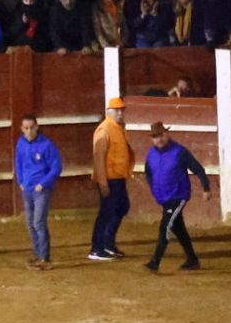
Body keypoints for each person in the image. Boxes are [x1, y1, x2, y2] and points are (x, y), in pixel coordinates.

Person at [142, 122, 211, 274]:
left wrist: (206, 188)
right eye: (155, 137)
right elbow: (148, 172)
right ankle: (192, 259)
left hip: (178, 195)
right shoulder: (151, 154)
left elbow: (198, 168)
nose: (158, 140)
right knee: (177, 228)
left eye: (160, 135)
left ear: (167, 134)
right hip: (163, 197)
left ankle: (155, 261)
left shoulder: (179, 152)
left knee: (165, 226)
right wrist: (153, 187)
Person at [13, 112, 62, 271]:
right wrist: (20, 181)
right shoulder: (20, 143)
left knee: (38, 222)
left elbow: (56, 167)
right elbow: (18, 163)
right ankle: (38, 253)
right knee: (30, 222)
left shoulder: (47, 145)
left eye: (31, 128)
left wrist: (43, 183)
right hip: (27, 188)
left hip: (41, 189)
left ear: (37, 127)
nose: (28, 131)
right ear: (22, 129)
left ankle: (44, 257)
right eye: (25, 128)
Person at [89, 95, 133, 261]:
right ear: (109, 111)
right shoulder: (105, 129)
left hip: (118, 177)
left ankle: (107, 243)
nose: (120, 113)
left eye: (122, 110)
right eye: (117, 110)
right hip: (109, 178)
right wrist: (102, 182)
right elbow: (98, 158)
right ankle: (96, 247)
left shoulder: (117, 127)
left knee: (122, 207)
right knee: (106, 212)